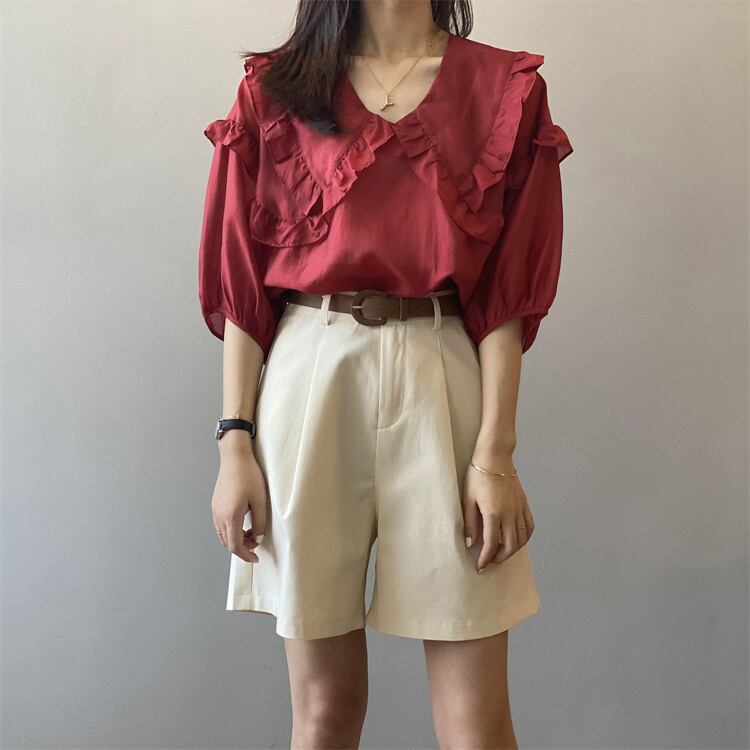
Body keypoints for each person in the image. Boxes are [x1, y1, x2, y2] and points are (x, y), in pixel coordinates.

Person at [198, 0, 573, 746]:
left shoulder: (505, 88)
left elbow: (507, 297)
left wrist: (495, 455)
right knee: (323, 713)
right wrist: (233, 442)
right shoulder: (276, 88)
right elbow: (244, 286)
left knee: (475, 725)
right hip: (309, 373)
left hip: (443, 367)